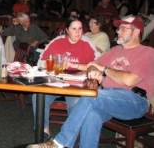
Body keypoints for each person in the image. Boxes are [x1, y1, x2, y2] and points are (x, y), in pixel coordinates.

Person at [28, 15, 154, 148]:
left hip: (134, 101)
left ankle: (59, 143)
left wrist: (104, 69)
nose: (117, 31)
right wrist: (87, 67)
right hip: (109, 98)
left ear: (136, 32)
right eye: (118, 28)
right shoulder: (116, 50)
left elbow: (129, 80)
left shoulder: (147, 52)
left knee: (92, 96)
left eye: (123, 28)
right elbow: (93, 64)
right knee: (91, 116)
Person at [31, 17, 99, 139]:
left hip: (76, 85)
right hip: (56, 81)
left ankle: (71, 136)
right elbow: (41, 62)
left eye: (80, 29)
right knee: (37, 96)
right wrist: (55, 64)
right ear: (67, 30)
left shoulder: (87, 43)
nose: (78, 32)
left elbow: (97, 65)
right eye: (74, 29)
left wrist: (76, 66)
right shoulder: (57, 42)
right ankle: (43, 132)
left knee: (76, 102)